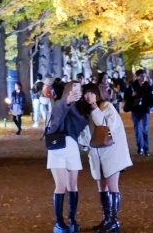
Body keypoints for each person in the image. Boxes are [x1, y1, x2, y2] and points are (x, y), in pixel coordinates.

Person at [83, 83, 132, 232]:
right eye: (86, 93)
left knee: (112, 186)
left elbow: (103, 125)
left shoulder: (106, 107)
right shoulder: (86, 111)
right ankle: (107, 218)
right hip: (97, 152)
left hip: (112, 151)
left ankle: (114, 221)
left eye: (91, 93)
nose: (88, 96)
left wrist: (94, 108)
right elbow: (86, 133)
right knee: (102, 186)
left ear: (97, 94)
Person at [45, 81, 87, 233]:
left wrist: (75, 105)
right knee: (61, 185)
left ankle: (73, 218)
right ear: (68, 90)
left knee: (73, 185)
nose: (77, 92)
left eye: (79, 90)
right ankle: (59, 221)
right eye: (74, 90)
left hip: (72, 147)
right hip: (57, 147)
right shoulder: (59, 104)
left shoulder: (80, 107)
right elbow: (55, 126)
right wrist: (67, 103)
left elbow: (82, 123)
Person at [122, 70, 153, 156]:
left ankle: (146, 148)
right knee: (137, 129)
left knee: (145, 129)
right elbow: (126, 97)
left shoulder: (147, 86)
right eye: (141, 76)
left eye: (144, 76)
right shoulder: (132, 86)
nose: (143, 77)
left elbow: (151, 97)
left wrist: (150, 104)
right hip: (135, 109)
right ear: (137, 76)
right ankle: (140, 146)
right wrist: (132, 96)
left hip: (145, 109)